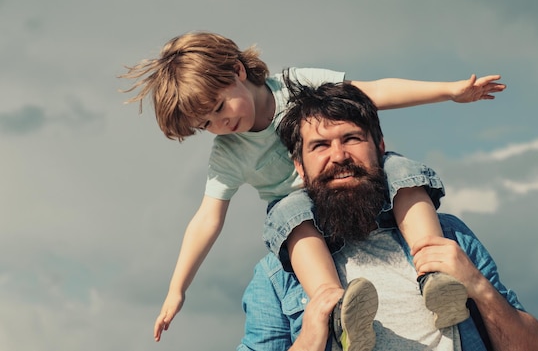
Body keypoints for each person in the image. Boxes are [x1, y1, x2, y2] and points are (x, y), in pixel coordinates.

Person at [119, 31, 506, 344]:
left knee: (403, 168)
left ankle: (434, 274)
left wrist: (449, 91)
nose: (219, 125)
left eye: (219, 108)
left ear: (237, 71)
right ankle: (339, 308)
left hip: (356, 191)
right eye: (205, 125)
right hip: (306, 223)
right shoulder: (229, 153)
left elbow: (374, 93)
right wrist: (177, 289)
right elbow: (206, 219)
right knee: (288, 210)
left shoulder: (295, 84)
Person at [238, 81, 538, 351]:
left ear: (380, 147)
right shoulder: (277, 277)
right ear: (300, 168)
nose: (339, 156)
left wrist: (477, 287)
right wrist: (309, 340)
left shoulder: (449, 236)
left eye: (352, 139)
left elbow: (529, 347)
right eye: (320, 145)